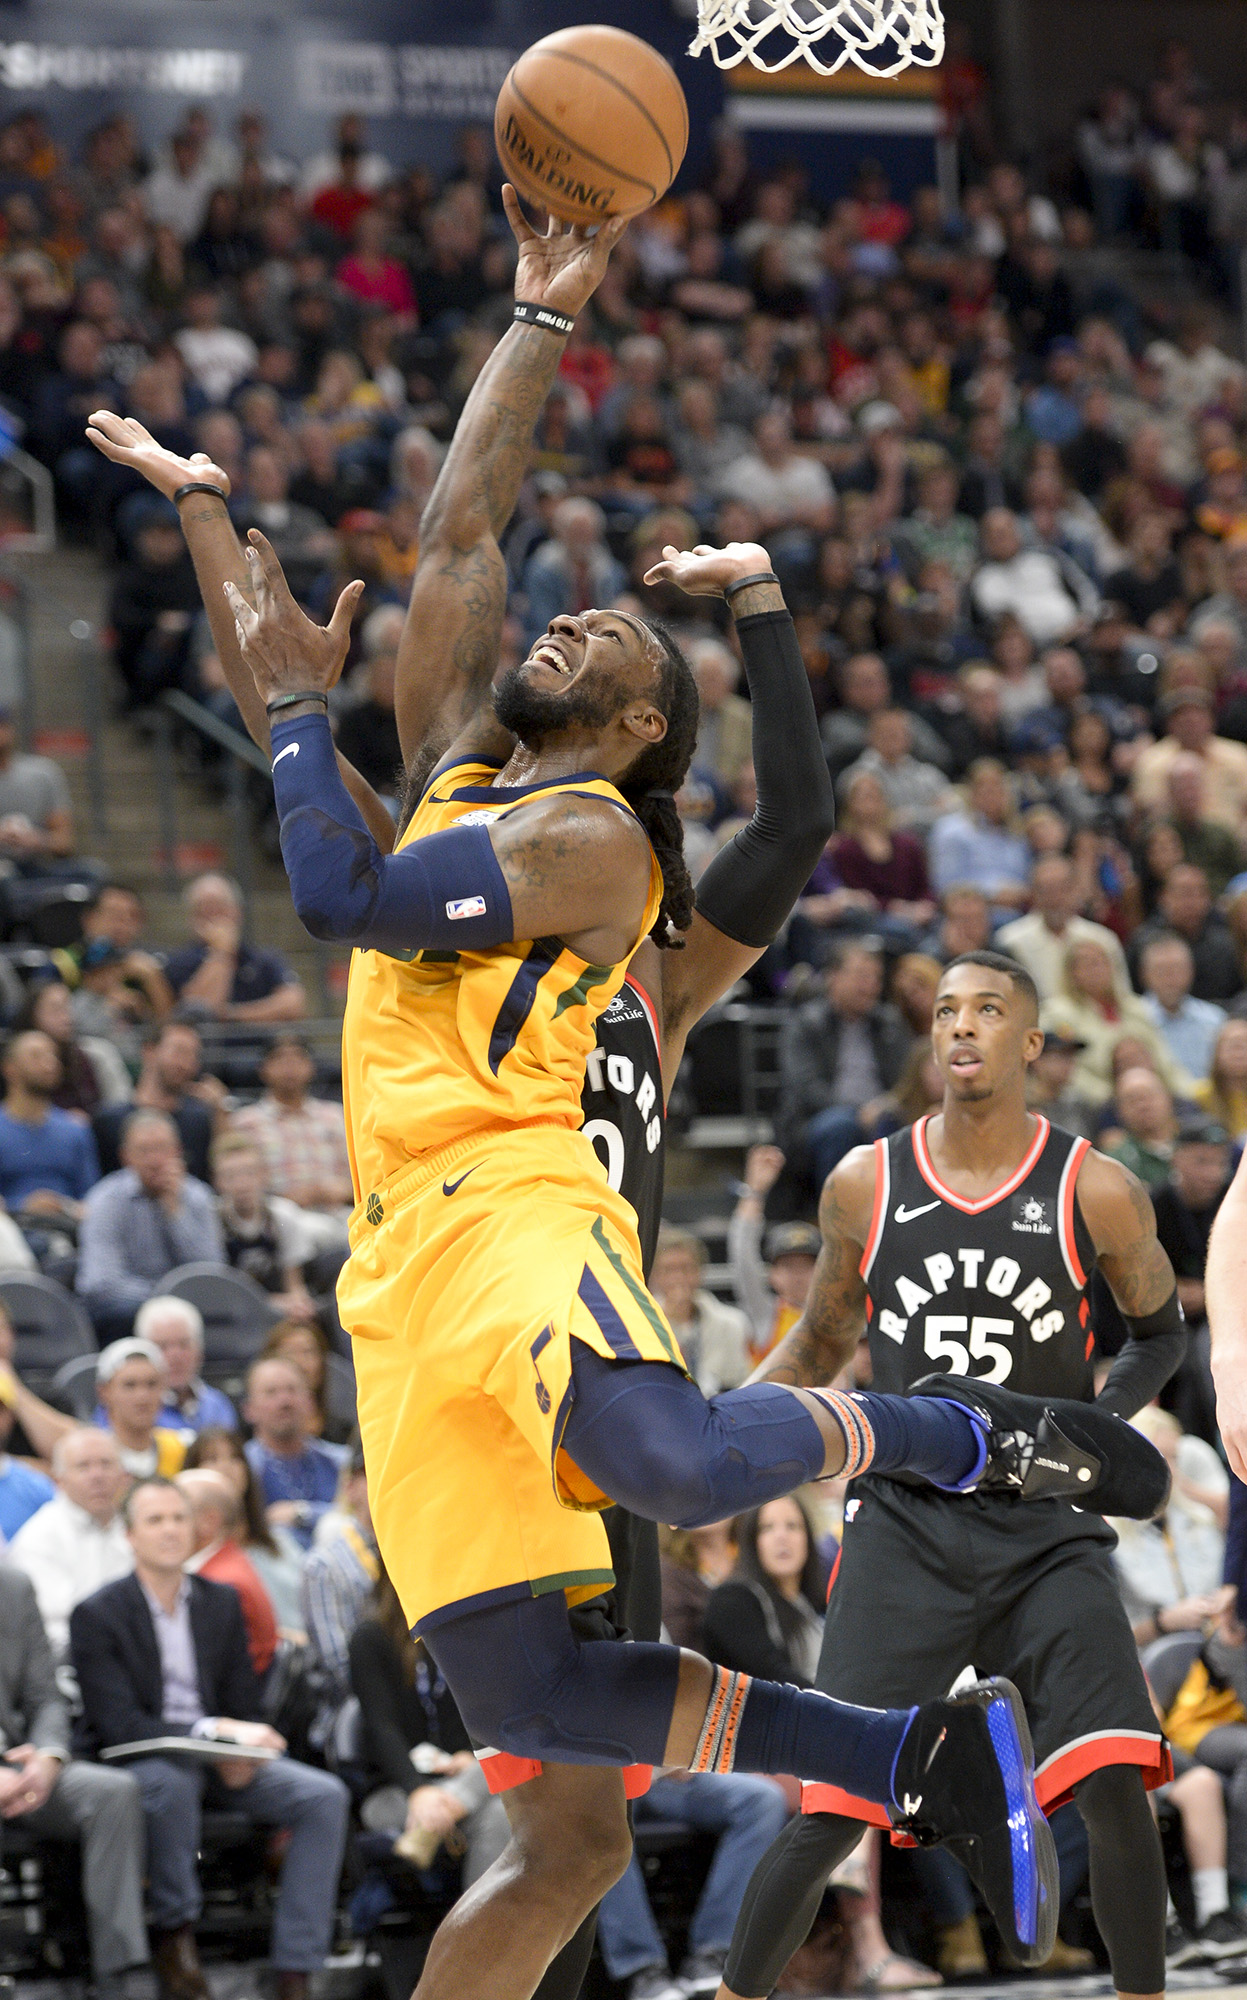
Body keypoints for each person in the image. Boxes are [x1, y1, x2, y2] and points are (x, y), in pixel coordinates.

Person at [87, 208, 1134, 1998]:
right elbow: (452, 539)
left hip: (541, 1246)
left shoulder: (608, 872)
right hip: (407, 1288)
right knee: (557, 1794)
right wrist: (520, 324)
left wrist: (752, 610)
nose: (576, 617)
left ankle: (958, 1433)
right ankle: (898, 1762)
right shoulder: (460, 791)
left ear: (648, 734)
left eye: (622, 646)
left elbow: (343, 817)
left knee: (662, 1479)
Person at [716, 950, 1184, 2000]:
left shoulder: (1092, 1184)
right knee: (831, 1804)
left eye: (985, 1010)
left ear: (1029, 1043)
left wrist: (1088, 1429)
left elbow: (1158, 1332)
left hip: (1040, 1527)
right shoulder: (863, 1181)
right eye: (941, 1012)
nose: (959, 1027)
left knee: (1115, 1778)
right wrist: (718, 1428)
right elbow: (818, 1339)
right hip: (903, 1522)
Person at [70, 1478, 350, 2000]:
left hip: (217, 1758)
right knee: (170, 1785)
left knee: (323, 1796)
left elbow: (242, 1704)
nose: (171, 1530)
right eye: (155, 1520)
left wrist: (233, 1751)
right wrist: (214, 1734)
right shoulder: (98, 1613)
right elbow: (120, 1727)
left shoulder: (220, 1602)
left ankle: (296, 1968)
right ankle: (176, 1940)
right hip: (141, 1757)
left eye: (179, 1518)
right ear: (129, 1535)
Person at [0, 1564, 148, 1998]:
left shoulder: (12, 1586)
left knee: (113, 1793)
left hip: (18, 1764)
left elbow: (45, 1695)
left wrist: (47, 1758)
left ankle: (115, 1976)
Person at [349, 1560, 511, 1886]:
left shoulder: (465, 1637)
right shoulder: (370, 1638)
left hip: (459, 1781)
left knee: (502, 1805)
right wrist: (418, 1791)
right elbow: (381, 1727)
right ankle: (480, 1935)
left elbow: (482, 1716)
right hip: (395, 1791)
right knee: (499, 1805)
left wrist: (468, 1754)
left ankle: (478, 1937)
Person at [76, 1110, 224, 1339]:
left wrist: (176, 1213)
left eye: (163, 1149)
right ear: (126, 1157)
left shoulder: (198, 1197)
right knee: (122, 1313)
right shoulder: (105, 1200)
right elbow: (100, 1282)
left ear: (178, 1152)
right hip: (130, 1311)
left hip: (190, 1308)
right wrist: (164, 1301)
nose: (155, 1160)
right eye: (144, 1151)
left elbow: (212, 1271)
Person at [8, 1425, 131, 1657]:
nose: (98, 1476)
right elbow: (53, 1626)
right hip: (72, 1661)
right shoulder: (39, 1537)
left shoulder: (135, 1526)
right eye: (83, 1466)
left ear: (124, 1475)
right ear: (59, 1480)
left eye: (106, 1464)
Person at [1112, 1407, 1226, 1645]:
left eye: (1173, 1457)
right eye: (1158, 1458)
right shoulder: (1111, 1539)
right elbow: (1113, 1641)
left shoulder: (1198, 1516)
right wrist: (1164, 1622)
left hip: (1219, 1647)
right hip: (1156, 1663)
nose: (1169, 1470)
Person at [182, 1426, 305, 1638]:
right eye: (212, 1458)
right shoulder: (191, 1558)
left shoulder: (280, 1542)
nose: (226, 1467)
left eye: (235, 1457)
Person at [231, 1035, 353, 1235]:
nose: (290, 1067)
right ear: (263, 1070)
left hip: (341, 1213)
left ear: (311, 1067)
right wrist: (286, 1198)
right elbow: (239, 1182)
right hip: (280, 1221)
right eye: (280, 1059)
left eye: (298, 1058)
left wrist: (342, 1191)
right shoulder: (246, 1122)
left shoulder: (336, 1116)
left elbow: (361, 1174)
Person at [301, 1443, 377, 1742]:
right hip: (355, 1717)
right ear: (350, 1488)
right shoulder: (324, 1565)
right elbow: (338, 1666)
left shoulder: (418, 1553)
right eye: (372, 1474)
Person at [163, 873, 307, 1024]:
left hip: (260, 1044)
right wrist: (222, 952)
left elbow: (294, 1005)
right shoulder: (179, 962)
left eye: (219, 907)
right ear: (191, 917)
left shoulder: (264, 958)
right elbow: (201, 1013)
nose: (213, 916)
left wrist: (233, 1015)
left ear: (237, 911)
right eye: (204, 909)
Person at [177, 1466, 278, 1677]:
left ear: (209, 1521)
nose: (167, 1529)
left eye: (177, 1515)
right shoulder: (230, 1563)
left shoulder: (219, 1583)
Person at [93, 1021, 217, 1183]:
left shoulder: (199, 1120)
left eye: (193, 1055)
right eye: (178, 1052)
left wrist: (220, 1114)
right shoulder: (109, 1120)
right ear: (149, 1051)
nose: (185, 1064)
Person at [996, 853, 1129, 1001]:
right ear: (1032, 893)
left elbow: (1122, 997)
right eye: (1045, 890)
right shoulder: (1009, 941)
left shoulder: (1102, 939)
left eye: (1063, 889)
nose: (1055, 898)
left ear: (1076, 890)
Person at [0, 1028, 99, 1220]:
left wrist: (64, 1207)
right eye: (36, 1056)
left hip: (67, 1230)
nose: (49, 1064)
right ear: (9, 1068)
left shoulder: (75, 1130)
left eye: (53, 1056)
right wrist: (22, 1205)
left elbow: (91, 1197)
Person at [243, 1356, 340, 1550]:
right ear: (249, 1409)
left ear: (311, 1403)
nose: (285, 1401)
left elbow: (358, 1517)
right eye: (271, 1392)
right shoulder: (244, 1467)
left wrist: (302, 1514)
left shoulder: (339, 1461)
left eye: (292, 1390)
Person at [647, 1230, 750, 1397]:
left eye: (686, 1268)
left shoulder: (732, 1323)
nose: (678, 1277)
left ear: (700, 1272)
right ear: (655, 1276)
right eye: (669, 1270)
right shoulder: (642, 1324)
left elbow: (739, 1383)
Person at [133, 1295, 237, 1433]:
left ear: (200, 1350)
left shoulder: (218, 1404)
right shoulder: (128, 1407)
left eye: (184, 1344)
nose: (175, 1356)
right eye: (162, 1346)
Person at [95, 1337, 191, 1479]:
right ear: (105, 1392)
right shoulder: (94, 1457)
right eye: (129, 1385)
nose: (142, 1397)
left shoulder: (182, 1449)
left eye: (151, 1384)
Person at [1138, 933, 1226, 1084]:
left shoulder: (1215, 1019)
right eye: (1161, 971)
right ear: (1144, 974)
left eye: (1177, 969)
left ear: (1191, 971)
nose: (1170, 978)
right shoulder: (1135, 1019)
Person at [257, 1318, 348, 1443]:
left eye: (308, 1352)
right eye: (290, 1353)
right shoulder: (249, 1435)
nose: (301, 1363)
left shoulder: (344, 1429)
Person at [1197, 1018, 1247, 1138]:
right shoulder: (1200, 1096)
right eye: (1232, 1047)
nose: (1238, 1054)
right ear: (1217, 1052)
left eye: (1243, 1047)